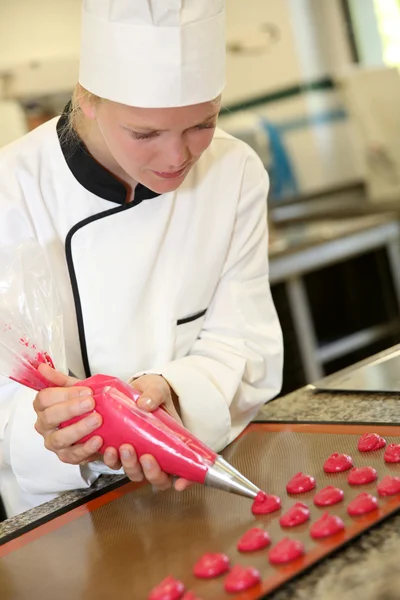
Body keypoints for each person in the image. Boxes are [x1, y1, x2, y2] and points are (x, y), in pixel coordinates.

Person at [0, 0, 283, 518]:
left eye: (202, 123)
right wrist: (53, 429)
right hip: (62, 513)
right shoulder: (11, 192)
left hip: (202, 473)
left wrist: (175, 392)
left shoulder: (233, 172)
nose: (177, 157)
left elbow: (245, 339)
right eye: (145, 134)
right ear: (87, 99)